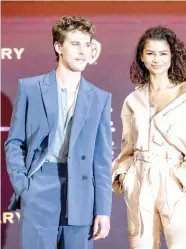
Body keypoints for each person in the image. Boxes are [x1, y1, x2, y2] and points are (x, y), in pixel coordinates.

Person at [5, 16, 112, 249]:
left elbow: (102, 160)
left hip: (82, 193)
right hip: (40, 188)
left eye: (87, 44)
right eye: (75, 44)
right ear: (58, 47)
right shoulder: (31, 88)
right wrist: (24, 186)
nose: (83, 51)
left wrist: (103, 210)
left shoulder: (100, 98)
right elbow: (14, 142)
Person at [112, 26, 186, 249]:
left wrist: (181, 177)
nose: (157, 59)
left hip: (173, 178)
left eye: (163, 53)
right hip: (139, 181)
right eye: (151, 53)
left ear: (173, 57)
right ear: (141, 57)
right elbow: (127, 147)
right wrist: (125, 175)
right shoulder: (133, 100)